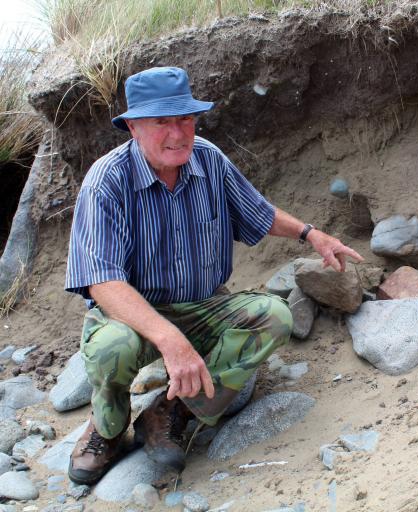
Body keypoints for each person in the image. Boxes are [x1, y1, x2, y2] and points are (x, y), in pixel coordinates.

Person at [64, 66, 363, 485]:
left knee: (275, 316)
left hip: (205, 305)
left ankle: (171, 411)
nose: (178, 133)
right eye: (161, 122)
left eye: (185, 118)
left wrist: (311, 234)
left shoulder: (208, 158)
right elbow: (103, 282)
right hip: (130, 314)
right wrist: (172, 342)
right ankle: (107, 428)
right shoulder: (106, 182)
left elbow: (258, 212)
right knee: (112, 347)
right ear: (132, 126)